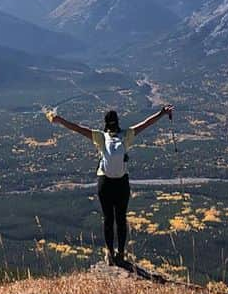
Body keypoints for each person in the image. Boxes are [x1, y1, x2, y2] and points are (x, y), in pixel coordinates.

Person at [46, 105, 174, 266]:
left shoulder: (100, 137)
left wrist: (59, 120)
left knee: (108, 219)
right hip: (121, 183)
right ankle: (120, 253)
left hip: (105, 182)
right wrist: (162, 113)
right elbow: (146, 123)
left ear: (105, 123)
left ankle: (110, 253)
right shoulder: (126, 135)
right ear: (117, 122)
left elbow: (78, 128)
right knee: (120, 219)